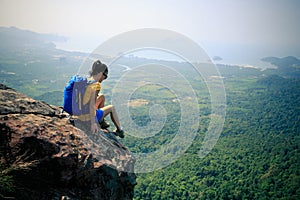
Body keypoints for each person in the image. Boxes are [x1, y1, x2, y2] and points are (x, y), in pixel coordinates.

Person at [79, 60, 124, 138]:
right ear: (101, 74)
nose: (104, 78)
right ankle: (119, 130)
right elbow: (91, 105)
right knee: (111, 108)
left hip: (80, 111)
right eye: (105, 76)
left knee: (102, 97)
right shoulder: (96, 85)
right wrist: (93, 123)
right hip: (87, 116)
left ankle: (102, 121)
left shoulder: (87, 80)